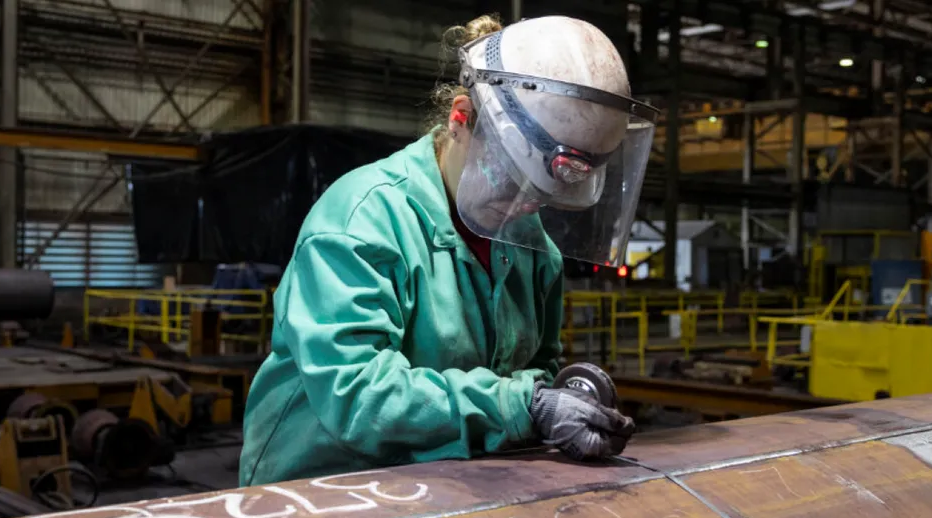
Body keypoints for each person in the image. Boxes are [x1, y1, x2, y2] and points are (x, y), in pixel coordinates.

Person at [239, 14, 659, 486]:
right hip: (320, 490)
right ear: (461, 118)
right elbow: (356, 395)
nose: (524, 204)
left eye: (541, 193)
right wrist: (524, 406)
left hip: (450, 487)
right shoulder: (360, 222)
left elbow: (537, 365)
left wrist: (562, 401)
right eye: (512, 174)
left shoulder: (533, 247)